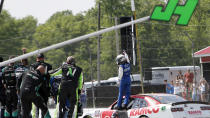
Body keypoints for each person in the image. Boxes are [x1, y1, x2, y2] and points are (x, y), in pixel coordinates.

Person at [30, 53, 52, 118]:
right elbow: (50, 78)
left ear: (37, 58)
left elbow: (30, 77)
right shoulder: (49, 66)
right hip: (45, 88)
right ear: (43, 58)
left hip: (36, 89)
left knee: (36, 106)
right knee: (44, 106)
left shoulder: (33, 65)